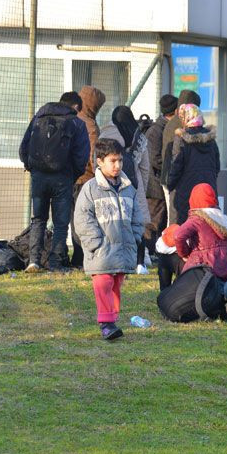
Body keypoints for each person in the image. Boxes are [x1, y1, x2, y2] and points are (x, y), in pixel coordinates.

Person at [74, 139, 144, 341]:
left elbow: (137, 216)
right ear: (99, 162)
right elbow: (82, 219)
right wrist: (96, 243)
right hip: (102, 251)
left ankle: (112, 319)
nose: (118, 165)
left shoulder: (128, 188)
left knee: (116, 283)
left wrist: (135, 236)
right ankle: (106, 323)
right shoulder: (90, 189)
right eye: (112, 161)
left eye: (120, 160)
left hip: (122, 250)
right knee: (103, 282)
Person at [19, 91, 90, 272]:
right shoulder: (77, 124)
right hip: (63, 177)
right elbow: (81, 156)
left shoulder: (38, 117)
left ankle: (33, 261)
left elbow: (23, 148)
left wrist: (33, 168)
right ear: (75, 107)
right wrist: (72, 175)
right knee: (60, 223)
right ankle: (55, 263)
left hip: (38, 177)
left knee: (38, 220)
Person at [109, 105, 152, 273]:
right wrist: (143, 187)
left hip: (115, 181)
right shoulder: (139, 138)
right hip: (135, 182)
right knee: (138, 221)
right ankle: (143, 257)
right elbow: (145, 168)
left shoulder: (113, 136)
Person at [70, 85, 106, 268]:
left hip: (69, 177)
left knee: (73, 219)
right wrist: (98, 174)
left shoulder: (72, 118)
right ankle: (83, 257)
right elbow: (93, 153)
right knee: (85, 219)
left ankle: (74, 256)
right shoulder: (90, 124)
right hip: (85, 179)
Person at [167, 104, 220, 225]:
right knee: (206, 226)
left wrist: (170, 185)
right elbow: (217, 167)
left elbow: (176, 166)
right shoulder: (211, 139)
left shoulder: (181, 138)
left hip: (186, 192)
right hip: (208, 190)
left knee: (185, 227)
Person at [173, 183, 227, 281]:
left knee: (180, 288)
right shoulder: (222, 218)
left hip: (204, 267)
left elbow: (178, 236)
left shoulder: (197, 218)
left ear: (193, 200)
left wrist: (185, 254)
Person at [144, 94, 177, 261]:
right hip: (154, 184)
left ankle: (156, 252)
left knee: (160, 219)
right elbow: (154, 158)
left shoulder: (163, 127)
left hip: (159, 181)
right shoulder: (156, 131)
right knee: (153, 221)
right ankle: (150, 252)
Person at [161, 90, 200, 224]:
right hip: (177, 181)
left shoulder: (173, 123)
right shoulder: (181, 126)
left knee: (174, 218)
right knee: (177, 219)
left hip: (171, 178)